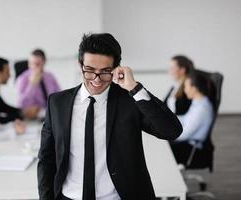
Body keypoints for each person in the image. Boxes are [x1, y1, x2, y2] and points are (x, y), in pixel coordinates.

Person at [37, 33, 182, 200]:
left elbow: (171, 131)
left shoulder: (130, 101)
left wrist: (134, 88)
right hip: (69, 196)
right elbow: (46, 159)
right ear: (80, 64)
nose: (97, 80)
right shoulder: (57, 103)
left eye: (105, 72)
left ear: (116, 69)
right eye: (90, 70)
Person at [170, 71, 214, 165]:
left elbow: (184, 135)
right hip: (186, 143)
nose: (185, 90)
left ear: (194, 88)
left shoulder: (202, 109)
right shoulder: (198, 103)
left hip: (189, 149)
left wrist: (166, 134)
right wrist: (168, 119)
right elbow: (185, 119)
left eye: (186, 87)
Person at [16, 49, 60, 119]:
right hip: (33, 117)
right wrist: (32, 85)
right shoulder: (22, 79)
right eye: (31, 63)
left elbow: (59, 95)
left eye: (37, 64)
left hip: (50, 113)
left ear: (44, 62)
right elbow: (21, 104)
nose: (34, 66)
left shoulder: (50, 77)